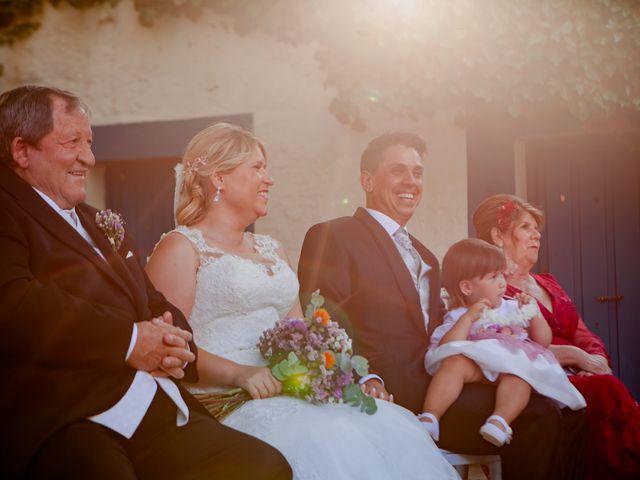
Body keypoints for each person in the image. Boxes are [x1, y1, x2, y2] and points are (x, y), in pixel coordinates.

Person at [0, 85, 291, 480]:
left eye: (90, 142)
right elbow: (14, 302)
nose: (89, 157)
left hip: (147, 403)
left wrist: (173, 344)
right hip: (65, 416)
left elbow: (152, 301)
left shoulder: (96, 220)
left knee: (264, 467)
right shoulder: (8, 209)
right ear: (21, 151)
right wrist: (132, 342)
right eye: (72, 142)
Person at [146, 123, 459, 480]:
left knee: (383, 432)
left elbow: (299, 332)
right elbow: (168, 349)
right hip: (224, 402)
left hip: (287, 392)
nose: (269, 179)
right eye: (257, 168)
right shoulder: (181, 248)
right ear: (219, 178)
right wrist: (241, 373)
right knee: (324, 443)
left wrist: (331, 373)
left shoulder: (271, 249)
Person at [297, 131, 587, 480]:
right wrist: (365, 378)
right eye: (397, 171)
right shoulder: (335, 235)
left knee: (571, 407)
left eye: (417, 173)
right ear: (367, 180)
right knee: (540, 415)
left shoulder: (426, 256)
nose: (411, 182)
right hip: (392, 393)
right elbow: (321, 320)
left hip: (443, 380)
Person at [473, 193, 640, 480]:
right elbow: (512, 349)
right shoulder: (492, 290)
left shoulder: (546, 281)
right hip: (538, 381)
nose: (536, 234)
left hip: (581, 376)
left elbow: (581, 332)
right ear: (498, 235)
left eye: (536, 228)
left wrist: (595, 359)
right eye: (526, 227)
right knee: (607, 391)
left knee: (604, 386)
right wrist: (577, 357)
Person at [420, 238, 586, 446]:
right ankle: (430, 417)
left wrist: (534, 313)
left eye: (501, 274)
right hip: (476, 368)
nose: (502, 283)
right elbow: (447, 347)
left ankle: (499, 421)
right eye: (493, 277)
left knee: (521, 377)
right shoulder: (460, 314)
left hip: (509, 368)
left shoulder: (510, 307)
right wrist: (469, 318)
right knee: (454, 363)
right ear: (467, 287)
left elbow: (543, 341)